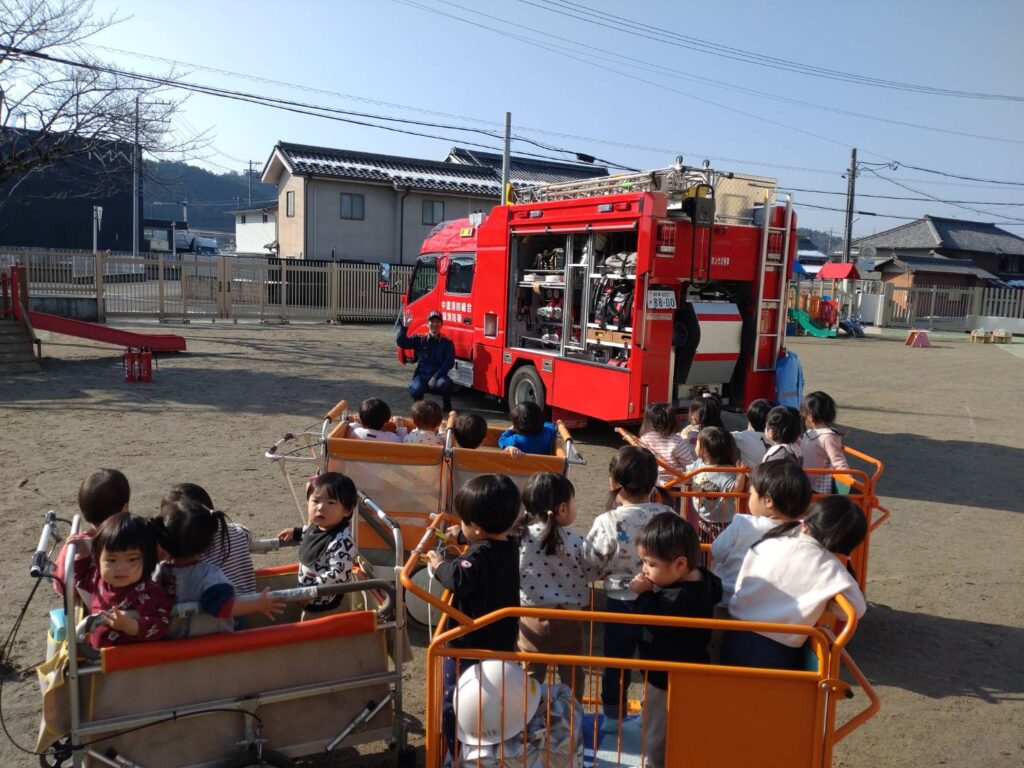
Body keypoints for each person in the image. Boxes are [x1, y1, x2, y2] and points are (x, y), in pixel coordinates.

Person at [424, 474, 521, 755]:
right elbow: (481, 545)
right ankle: (489, 747)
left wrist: (439, 564)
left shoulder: (478, 556)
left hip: (468, 644)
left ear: (477, 528)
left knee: (456, 699)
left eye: (464, 522)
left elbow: (458, 579)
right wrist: (463, 536)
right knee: (492, 701)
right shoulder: (509, 544)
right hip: (501, 640)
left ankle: (455, 751)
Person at [722, 496, 867, 670]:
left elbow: (743, 582)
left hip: (734, 635)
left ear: (806, 523)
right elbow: (857, 609)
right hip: (778, 650)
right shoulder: (832, 568)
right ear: (849, 547)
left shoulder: (770, 542)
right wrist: (826, 603)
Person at [583, 445, 674, 725]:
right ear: (653, 482)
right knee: (655, 663)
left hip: (620, 602)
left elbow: (590, 561)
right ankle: (653, 717)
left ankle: (613, 719)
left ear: (614, 483)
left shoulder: (608, 521)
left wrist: (602, 572)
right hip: (660, 601)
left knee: (616, 663)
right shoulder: (668, 516)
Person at [628, 513, 721, 768]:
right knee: (684, 722)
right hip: (694, 667)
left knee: (656, 727)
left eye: (650, 564)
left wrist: (645, 594)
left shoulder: (675, 597)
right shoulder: (705, 579)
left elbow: (652, 620)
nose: (644, 569)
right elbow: (718, 589)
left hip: (663, 674)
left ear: (680, 564)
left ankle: (654, 763)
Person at [515, 472, 603, 696]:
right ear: (562, 509)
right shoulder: (576, 540)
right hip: (569, 618)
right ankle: (573, 711)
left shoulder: (520, 538)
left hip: (531, 618)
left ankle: (528, 712)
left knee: (530, 672)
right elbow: (592, 572)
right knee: (573, 672)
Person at [154, 496, 283, 638]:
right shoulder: (210, 576)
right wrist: (257, 604)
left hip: (173, 641)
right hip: (213, 641)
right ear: (208, 544)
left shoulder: (159, 571)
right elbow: (224, 606)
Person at [711, 461, 813, 603]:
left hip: (728, 598)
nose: (749, 497)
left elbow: (717, 551)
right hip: (772, 605)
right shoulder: (803, 532)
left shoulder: (743, 524)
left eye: (751, 493)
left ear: (768, 500)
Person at [73, 512, 171, 649]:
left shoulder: (149, 592)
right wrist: (83, 554)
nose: (120, 568)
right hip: (96, 654)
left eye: (132, 559)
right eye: (111, 560)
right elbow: (82, 578)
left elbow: (161, 624)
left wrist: (132, 626)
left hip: (129, 658)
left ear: (147, 560)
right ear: (99, 560)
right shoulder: (99, 579)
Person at [278, 472, 357, 617]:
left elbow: (338, 574)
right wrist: (296, 532)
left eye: (331, 502)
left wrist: (311, 590)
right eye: (315, 501)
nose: (320, 507)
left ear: (347, 510)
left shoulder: (341, 541)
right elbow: (310, 532)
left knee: (317, 629)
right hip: (307, 595)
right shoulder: (319, 526)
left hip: (326, 605)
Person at [163, 483, 257, 598]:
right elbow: (247, 532)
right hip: (251, 602)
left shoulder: (189, 554)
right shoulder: (237, 532)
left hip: (219, 608)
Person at [53, 468, 131, 598]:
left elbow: (59, 584)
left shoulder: (75, 546)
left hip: (82, 606)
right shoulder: (132, 541)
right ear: (124, 509)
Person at [685, 426, 742, 544]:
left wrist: (741, 475)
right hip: (703, 518)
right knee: (703, 546)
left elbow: (735, 490)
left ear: (705, 450)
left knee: (723, 549)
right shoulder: (699, 464)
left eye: (697, 443)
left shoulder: (727, 472)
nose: (695, 445)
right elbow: (686, 475)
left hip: (723, 522)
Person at [396, 310, 455, 412]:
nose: (434, 324)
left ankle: (447, 404)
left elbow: (449, 363)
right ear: (427, 324)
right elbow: (401, 342)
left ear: (441, 324)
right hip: (422, 376)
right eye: (432, 322)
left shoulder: (446, 342)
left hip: (438, 376)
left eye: (437, 322)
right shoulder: (420, 339)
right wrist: (405, 327)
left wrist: (435, 377)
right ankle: (419, 406)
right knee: (415, 389)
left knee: (446, 385)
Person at [801, 391, 849, 494]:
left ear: (810, 416)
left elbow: (838, 461)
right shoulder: (810, 433)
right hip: (805, 482)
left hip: (818, 488)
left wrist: (847, 484)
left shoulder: (828, 437)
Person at [639, 402, 693, 484]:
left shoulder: (644, 439)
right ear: (672, 421)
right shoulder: (676, 440)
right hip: (675, 483)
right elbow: (688, 465)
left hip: (653, 482)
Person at [731, 398, 772, 468]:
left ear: (749, 418)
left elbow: (715, 436)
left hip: (751, 474)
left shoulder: (741, 437)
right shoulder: (780, 440)